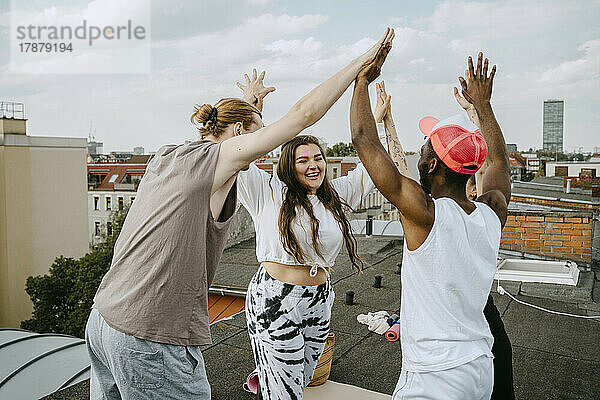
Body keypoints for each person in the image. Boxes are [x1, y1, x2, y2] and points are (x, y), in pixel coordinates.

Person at [84, 27, 395, 400]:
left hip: (104, 319)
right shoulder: (219, 164)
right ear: (236, 134)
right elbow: (303, 115)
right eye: (255, 135)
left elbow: (233, 144)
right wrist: (361, 63)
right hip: (150, 334)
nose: (261, 151)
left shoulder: (168, 156)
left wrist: (248, 106)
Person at [236, 34, 394, 400]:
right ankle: (270, 379)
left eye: (318, 158)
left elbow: (372, 169)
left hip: (319, 298)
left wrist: (381, 121)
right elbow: (240, 152)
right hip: (275, 298)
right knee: (286, 392)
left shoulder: (336, 196)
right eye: (302, 159)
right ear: (288, 166)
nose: (313, 165)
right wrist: (250, 108)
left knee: (304, 379)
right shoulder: (268, 192)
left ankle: (267, 378)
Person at [351, 52, 511, 399]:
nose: (418, 156)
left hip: (435, 375)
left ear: (434, 166)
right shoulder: (492, 210)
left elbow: (364, 140)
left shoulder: (425, 215)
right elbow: (499, 160)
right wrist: (483, 104)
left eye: (423, 150)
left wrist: (362, 78)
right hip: (481, 366)